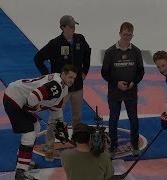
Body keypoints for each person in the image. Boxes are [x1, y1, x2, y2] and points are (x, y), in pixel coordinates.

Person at [3, 64, 77, 180]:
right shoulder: (56, 85)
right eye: (70, 77)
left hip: (17, 96)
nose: (72, 80)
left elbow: (56, 109)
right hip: (14, 98)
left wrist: (59, 126)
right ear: (63, 74)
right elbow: (33, 97)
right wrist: (33, 107)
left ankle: (23, 160)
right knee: (29, 133)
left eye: (74, 78)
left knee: (35, 127)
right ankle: (20, 171)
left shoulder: (63, 87)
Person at [34, 15, 91, 128]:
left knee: (77, 116)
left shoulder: (80, 39)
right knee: (55, 117)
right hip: (60, 88)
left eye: (74, 25)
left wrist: (85, 71)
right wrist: (48, 76)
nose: (74, 28)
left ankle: (77, 139)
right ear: (63, 27)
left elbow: (87, 53)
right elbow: (38, 59)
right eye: (71, 26)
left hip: (77, 86)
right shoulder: (55, 43)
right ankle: (50, 144)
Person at [101, 22, 144, 156]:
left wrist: (133, 82)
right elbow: (104, 73)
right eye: (125, 34)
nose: (127, 37)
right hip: (115, 92)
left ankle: (135, 145)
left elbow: (141, 71)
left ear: (132, 35)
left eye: (129, 35)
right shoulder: (110, 52)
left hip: (131, 92)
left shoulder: (136, 51)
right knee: (113, 119)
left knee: (134, 119)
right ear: (120, 34)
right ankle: (113, 146)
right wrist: (116, 83)